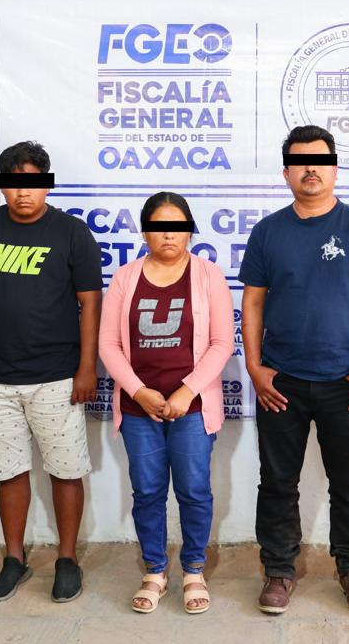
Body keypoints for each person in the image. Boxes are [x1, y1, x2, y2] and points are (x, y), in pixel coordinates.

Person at [239, 125, 349, 616]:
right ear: (286, 173)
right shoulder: (268, 232)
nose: (312, 169)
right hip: (281, 382)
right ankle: (279, 570)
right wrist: (254, 367)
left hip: (346, 382)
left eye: (321, 161)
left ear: (335, 169)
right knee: (277, 481)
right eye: (301, 162)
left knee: (347, 483)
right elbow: (253, 303)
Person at [0, 141, 102, 603]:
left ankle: (67, 559)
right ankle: (13, 559)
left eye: (32, 183)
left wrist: (86, 367)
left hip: (57, 376)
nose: (23, 192)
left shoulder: (72, 232)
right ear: (1, 186)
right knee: (9, 471)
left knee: (66, 471)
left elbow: (90, 303)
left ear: (47, 185)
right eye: (14, 183)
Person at [99, 192, 235, 614]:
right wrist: (138, 391)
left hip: (192, 408)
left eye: (177, 226)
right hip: (139, 409)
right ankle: (155, 571)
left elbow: (222, 342)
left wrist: (186, 390)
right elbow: (108, 345)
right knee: (147, 491)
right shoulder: (125, 278)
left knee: (194, 491)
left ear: (190, 230)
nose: (169, 234)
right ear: (145, 233)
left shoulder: (209, 275)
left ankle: (193, 570)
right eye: (159, 226)